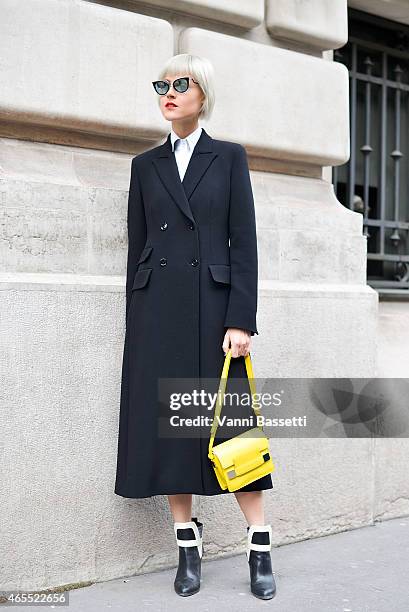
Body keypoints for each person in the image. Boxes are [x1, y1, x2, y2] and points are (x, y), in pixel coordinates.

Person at [114, 53, 276, 600]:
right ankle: (187, 542)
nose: (169, 92)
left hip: (213, 312)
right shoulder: (145, 166)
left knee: (231, 428)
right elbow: (140, 248)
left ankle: (259, 543)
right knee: (170, 431)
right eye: (162, 84)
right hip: (159, 311)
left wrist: (241, 320)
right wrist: (137, 319)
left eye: (181, 84)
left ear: (202, 94)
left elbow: (244, 242)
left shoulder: (228, 158)